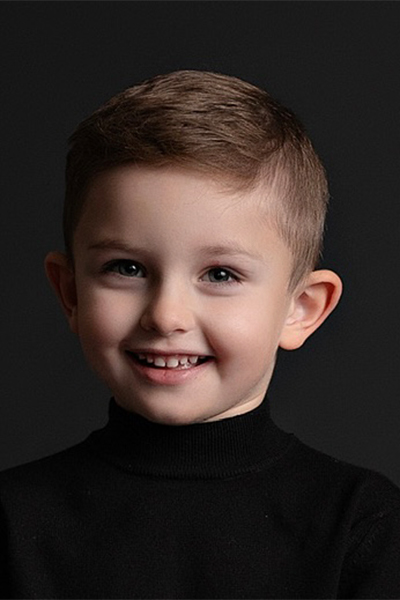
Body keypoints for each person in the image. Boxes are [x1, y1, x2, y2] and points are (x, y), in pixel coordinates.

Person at [1, 70, 399, 599]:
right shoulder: (11, 523)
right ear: (71, 292)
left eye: (220, 274)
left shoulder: (363, 527)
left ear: (300, 308)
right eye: (127, 268)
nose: (166, 316)